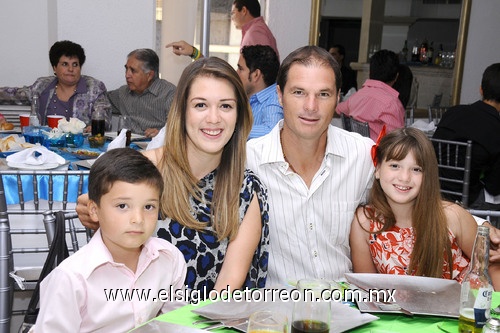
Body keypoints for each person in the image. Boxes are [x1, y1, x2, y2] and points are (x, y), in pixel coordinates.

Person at [76, 57, 269, 293]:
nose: (214, 118)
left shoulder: (246, 189)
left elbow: (227, 287)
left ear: (239, 115)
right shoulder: (143, 172)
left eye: (226, 106)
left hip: (204, 322)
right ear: (182, 111)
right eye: (200, 105)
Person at [246, 46, 375, 286]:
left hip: (345, 308)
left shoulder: (363, 155)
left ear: (338, 98)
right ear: (279, 95)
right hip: (277, 311)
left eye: (323, 94)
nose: (311, 106)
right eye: (299, 92)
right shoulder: (249, 161)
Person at [35, 148, 187, 332]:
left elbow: (177, 323)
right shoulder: (71, 280)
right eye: (122, 206)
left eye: (149, 206)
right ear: (94, 210)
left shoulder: (169, 259)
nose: (138, 219)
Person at [349, 127, 479, 283]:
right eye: (395, 166)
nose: (404, 177)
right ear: (377, 169)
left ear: (427, 176)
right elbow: (367, 290)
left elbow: (491, 265)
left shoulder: (452, 217)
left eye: (416, 169)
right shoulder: (365, 222)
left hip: (461, 305)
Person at [0, 40, 111, 132]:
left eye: (75, 64)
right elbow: (13, 94)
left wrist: (93, 128)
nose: (71, 69)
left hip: (81, 148)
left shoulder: (94, 88)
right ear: (54, 67)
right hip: (45, 147)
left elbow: (104, 120)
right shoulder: (42, 85)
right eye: (64, 64)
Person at [432, 63, 500, 211]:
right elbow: (494, 187)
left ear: (481, 89)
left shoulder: (453, 112)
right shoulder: (496, 129)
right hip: (468, 199)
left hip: (434, 191)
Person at [166, 0, 279, 61]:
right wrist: (194, 53)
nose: (231, 18)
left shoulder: (255, 34)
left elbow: (256, 77)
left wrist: (194, 53)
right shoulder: (258, 30)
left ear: (244, 10)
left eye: (233, 13)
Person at [336, 49, 405, 142]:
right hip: (379, 155)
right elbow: (397, 142)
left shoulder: (358, 95)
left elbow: (338, 109)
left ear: (370, 72)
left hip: (357, 152)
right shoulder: (392, 104)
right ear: (396, 76)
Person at [107, 48, 176, 137]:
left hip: (157, 147)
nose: (127, 75)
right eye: (126, 69)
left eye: (133, 70)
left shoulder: (169, 94)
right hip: (129, 148)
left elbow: (179, 129)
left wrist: (161, 134)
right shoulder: (123, 93)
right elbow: (98, 100)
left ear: (149, 75)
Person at [237, 44, 283, 139]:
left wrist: (233, 130)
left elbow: (272, 131)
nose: (236, 72)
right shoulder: (248, 97)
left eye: (241, 69)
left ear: (256, 75)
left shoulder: (274, 99)